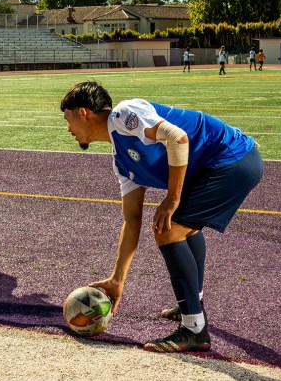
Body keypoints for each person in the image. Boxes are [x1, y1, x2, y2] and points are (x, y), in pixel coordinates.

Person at [61, 80, 262, 352]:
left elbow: (177, 137)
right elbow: (131, 222)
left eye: (67, 117)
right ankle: (192, 306)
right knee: (182, 228)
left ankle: (194, 329)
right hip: (222, 165)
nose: (67, 127)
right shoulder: (122, 161)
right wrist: (117, 279)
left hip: (233, 159)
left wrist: (173, 199)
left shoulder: (123, 114)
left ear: (84, 112)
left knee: (168, 228)